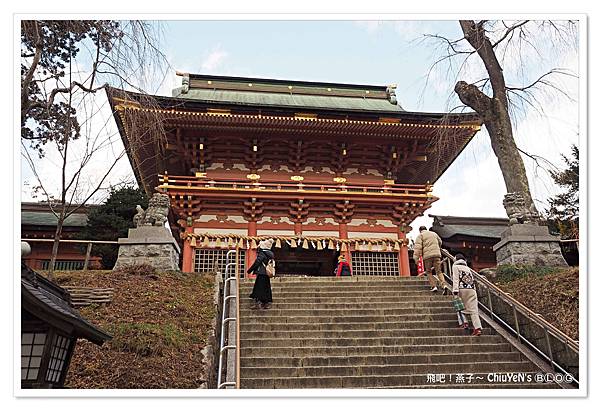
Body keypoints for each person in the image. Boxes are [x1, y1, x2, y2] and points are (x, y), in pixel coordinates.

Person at [451, 253, 482, 336]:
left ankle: (464, 323)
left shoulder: (455, 267)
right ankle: (477, 328)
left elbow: (456, 279)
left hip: (461, 289)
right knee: (474, 310)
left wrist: (455, 291)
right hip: (471, 289)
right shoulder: (468, 268)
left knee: (460, 307)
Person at [413, 226, 450, 294]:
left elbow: (418, 248)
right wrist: (437, 248)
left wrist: (416, 259)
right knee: (439, 271)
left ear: (420, 230)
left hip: (427, 256)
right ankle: (444, 285)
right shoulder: (434, 234)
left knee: (428, 271)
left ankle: (433, 286)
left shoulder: (420, 235)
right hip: (437, 254)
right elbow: (440, 242)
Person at [247, 239, 275, 310]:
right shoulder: (270, 253)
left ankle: (258, 303)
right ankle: (266, 303)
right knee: (266, 287)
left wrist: (250, 270)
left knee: (259, 287)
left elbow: (258, 262)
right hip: (267, 272)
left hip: (261, 272)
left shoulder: (262, 253)